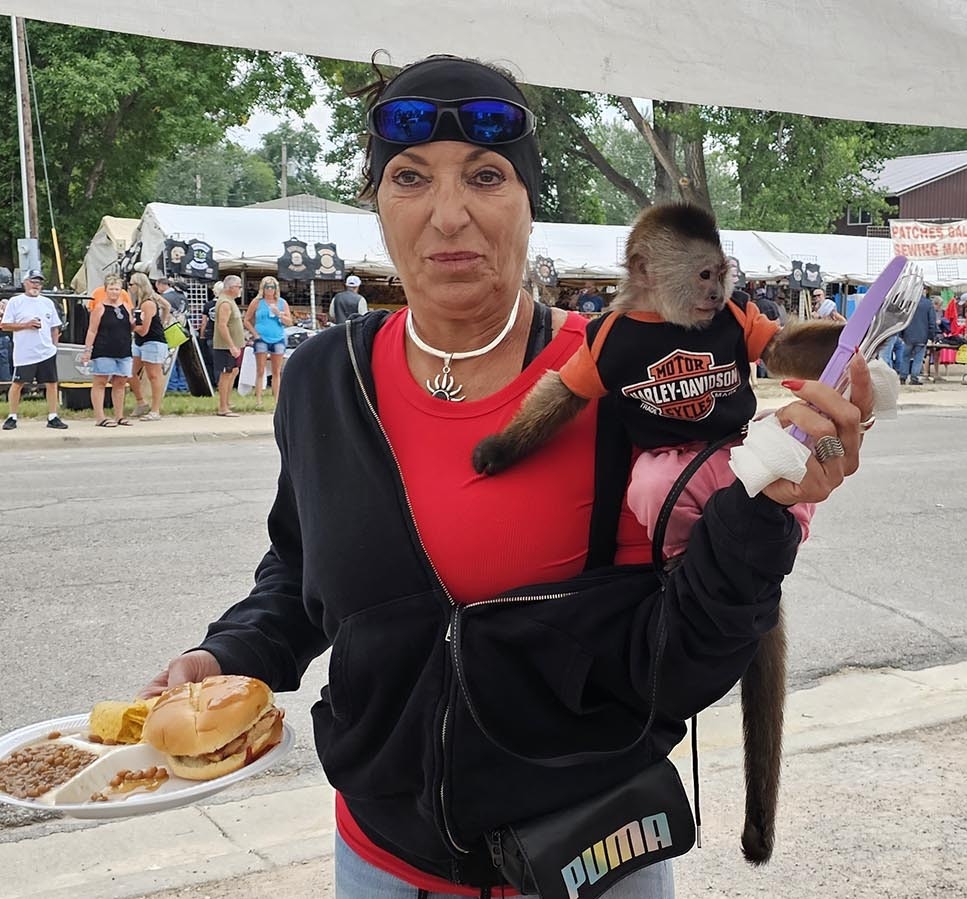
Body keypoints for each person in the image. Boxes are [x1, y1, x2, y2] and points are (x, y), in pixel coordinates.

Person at [136, 54, 873, 899]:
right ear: (378, 205)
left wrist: (766, 512)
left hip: (588, 866)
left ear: (529, 204)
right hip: (380, 865)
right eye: (410, 178)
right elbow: (299, 572)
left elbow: (685, 658)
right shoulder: (321, 380)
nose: (448, 215)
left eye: (486, 177)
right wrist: (225, 654)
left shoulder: (627, 371)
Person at [0, 272, 68, 431]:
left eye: (39, 283)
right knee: (18, 383)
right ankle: (12, 416)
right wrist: (26, 325)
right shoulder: (16, 302)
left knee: (51, 383)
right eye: (33, 282)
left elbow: (54, 326)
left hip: (46, 351)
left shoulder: (47, 302)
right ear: (25, 283)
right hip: (25, 352)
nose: (36, 285)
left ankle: (53, 416)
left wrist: (54, 346)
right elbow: (5, 325)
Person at [80, 278, 136, 427]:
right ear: (106, 290)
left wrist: (136, 321)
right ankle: (100, 416)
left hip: (123, 349)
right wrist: (87, 350)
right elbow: (92, 330)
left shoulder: (125, 306)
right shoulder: (100, 307)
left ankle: (119, 415)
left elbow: (131, 326)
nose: (114, 292)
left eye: (117, 289)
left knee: (120, 382)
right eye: (111, 289)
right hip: (104, 348)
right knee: (100, 382)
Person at [129, 273, 172, 421]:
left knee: (154, 375)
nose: (130, 287)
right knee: (130, 371)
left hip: (152, 340)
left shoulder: (148, 302)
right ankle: (141, 401)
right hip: (140, 341)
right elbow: (167, 305)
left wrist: (130, 326)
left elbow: (144, 329)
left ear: (138, 286)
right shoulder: (146, 300)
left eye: (132, 284)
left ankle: (155, 409)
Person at [246, 276, 293, 401]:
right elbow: (246, 319)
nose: (270, 290)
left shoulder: (282, 303)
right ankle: (259, 399)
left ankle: (277, 398)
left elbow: (289, 322)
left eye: (272, 287)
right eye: (267, 287)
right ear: (263, 288)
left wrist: (279, 314)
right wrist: (254, 333)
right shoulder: (257, 302)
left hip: (277, 337)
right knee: (260, 369)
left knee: (276, 370)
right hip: (261, 337)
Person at [212, 276, 246, 416]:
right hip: (226, 346)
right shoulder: (225, 303)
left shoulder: (230, 302)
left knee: (232, 372)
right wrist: (231, 345)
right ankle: (223, 407)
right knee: (225, 375)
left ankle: (226, 402)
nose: (240, 289)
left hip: (235, 345)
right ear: (231, 288)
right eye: (239, 286)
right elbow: (222, 325)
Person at [900, 288, 940, 385]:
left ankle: (903, 377)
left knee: (905, 357)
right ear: (924, 291)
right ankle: (914, 378)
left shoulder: (907, 303)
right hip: (922, 335)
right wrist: (932, 336)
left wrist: (901, 334)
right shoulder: (928, 304)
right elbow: (932, 321)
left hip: (908, 335)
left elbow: (901, 319)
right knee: (918, 358)